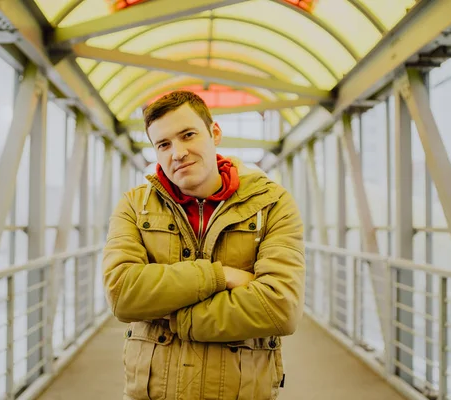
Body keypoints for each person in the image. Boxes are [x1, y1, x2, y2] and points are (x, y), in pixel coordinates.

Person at [103, 90, 305, 400]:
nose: (178, 153)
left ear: (215, 133)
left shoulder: (272, 204)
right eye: (164, 144)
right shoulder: (134, 206)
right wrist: (220, 276)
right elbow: (122, 294)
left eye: (188, 135)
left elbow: (280, 307)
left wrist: (174, 316)